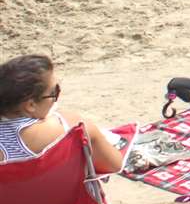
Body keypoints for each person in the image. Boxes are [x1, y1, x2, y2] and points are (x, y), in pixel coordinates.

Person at [0, 55, 128, 170]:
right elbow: (114, 165)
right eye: (54, 92)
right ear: (31, 105)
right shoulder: (73, 128)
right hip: (64, 196)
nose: (56, 99)